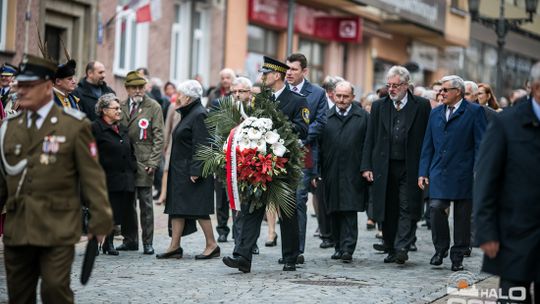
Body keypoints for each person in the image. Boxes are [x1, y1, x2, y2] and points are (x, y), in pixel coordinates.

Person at [0, 54, 113, 304]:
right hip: (18, 229)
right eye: (20, 84)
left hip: (58, 227)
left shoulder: (73, 126)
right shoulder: (9, 128)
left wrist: (100, 220)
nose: (20, 90)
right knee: (18, 296)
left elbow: (92, 177)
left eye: (28, 86)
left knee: (55, 291)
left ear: (45, 87)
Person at [222, 56, 309, 273]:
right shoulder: (261, 100)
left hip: (284, 164)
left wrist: (274, 131)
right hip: (260, 163)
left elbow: (303, 129)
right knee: (253, 208)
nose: (262, 77)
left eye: (265, 74)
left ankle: (290, 257)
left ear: (276, 76)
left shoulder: (298, 101)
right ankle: (243, 256)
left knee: (287, 212)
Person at [474, 62, 540, 304]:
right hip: (514, 234)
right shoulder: (506, 123)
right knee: (513, 299)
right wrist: (486, 232)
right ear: (536, 88)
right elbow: (486, 179)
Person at [361, 66, 431, 265]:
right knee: (387, 207)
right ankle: (390, 247)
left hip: (411, 166)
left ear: (407, 86)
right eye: (388, 85)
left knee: (406, 206)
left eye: (396, 85)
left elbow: (428, 138)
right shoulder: (379, 106)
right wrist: (366, 166)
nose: (391, 89)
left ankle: (402, 246)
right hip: (384, 165)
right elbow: (370, 138)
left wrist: (426, 168)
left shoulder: (422, 106)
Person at [418, 75, 487, 271]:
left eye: (445, 90)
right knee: (436, 207)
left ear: (458, 92)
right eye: (440, 90)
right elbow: (427, 145)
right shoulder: (436, 112)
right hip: (439, 170)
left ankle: (458, 255)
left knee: (462, 216)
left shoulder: (475, 112)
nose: (441, 93)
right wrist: (423, 171)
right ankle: (440, 249)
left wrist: (478, 170)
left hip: (464, 171)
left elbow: (481, 144)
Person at [156, 80, 219, 260]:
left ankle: (212, 244)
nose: (178, 97)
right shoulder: (189, 112)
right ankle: (174, 246)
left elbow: (203, 144)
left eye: (181, 94)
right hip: (180, 170)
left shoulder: (199, 114)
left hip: (192, 171)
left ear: (189, 97)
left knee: (198, 209)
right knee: (177, 208)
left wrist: (197, 170)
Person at [319, 81, 369, 263]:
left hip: (353, 170)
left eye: (345, 96)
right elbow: (319, 145)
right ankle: (338, 246)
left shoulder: (362, 117)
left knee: (349, 209)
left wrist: (366, 167)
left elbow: (367, 145)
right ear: (333, 96)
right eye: (338, 96)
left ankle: (348, 248)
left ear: (352, 98)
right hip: (330, 170)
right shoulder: (325, 116)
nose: (341, 99)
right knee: (333, 209)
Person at [286, 53, 327, 261]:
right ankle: (287, 247)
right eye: (287, 68)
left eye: (294, 69)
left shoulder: (317, 93)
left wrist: (300, 139)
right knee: (285, 199)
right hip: (281, 150)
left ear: (304, 71)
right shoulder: (281, 91)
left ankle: (297, 250)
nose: (289, 73)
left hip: (305, 150)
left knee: (299, 199)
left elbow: (320, 122)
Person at [118, 71, 164, 255]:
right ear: (127, 89)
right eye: (133, 88)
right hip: (125, 163)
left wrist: (153, 162)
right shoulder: (120, 106)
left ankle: (147, 242)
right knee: (127, 203)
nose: (138, 91)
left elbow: (159, 137)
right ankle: (130, 240)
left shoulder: (153, 106)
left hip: (145, 162)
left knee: (146, 203)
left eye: (141, 87)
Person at [92, 93, 137, 255]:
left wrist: (132, 168)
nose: (119, 111)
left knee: (115, 212)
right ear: (104, 110)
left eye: (120, 108)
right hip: (104, 177)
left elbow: (130, 151)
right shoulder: (95, 128)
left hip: (123, 179)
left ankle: (108, 243)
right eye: (116, 108)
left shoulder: (122, 128)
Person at [228, 76, 259, 255]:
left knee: (251, 204)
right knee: (235, 204)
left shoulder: (257, 110)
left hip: (253, 164)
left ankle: (249, 241)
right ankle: (238, 243)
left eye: (241, 91)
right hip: (232, 165)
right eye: (235, 92)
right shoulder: (227, 110)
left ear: (249, 93)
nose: (238, 95)